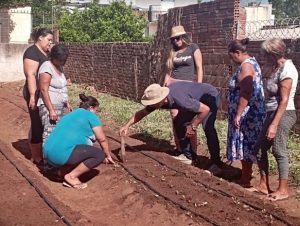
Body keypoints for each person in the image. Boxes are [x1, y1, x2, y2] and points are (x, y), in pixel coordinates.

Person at [120, 82, 222, 172]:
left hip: (209, 96)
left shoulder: (179, 99)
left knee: (208, 127)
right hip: (193, 99)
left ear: (162, 100)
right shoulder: (160, 101)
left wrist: (193, 125)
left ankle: (216, 163)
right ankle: (189, 156)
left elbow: (205, 110)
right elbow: (142, 113)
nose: (151, 106)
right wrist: (126, 126)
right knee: (179, 121)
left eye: (153, 103)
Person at [253, 38, 298, 200]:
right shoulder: (277, 68)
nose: (264, 57)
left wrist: (274, 125)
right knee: (259, 149)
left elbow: (284, 101)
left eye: (266, 54)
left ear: (273, 54)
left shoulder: (288, 69)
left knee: (278, 149)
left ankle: (283, 189)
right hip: (272, 113)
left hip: (284, 114)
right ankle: (263, 186)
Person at [43, 94, 115, 189]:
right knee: (98, 155)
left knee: (79, 148)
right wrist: (107, 155)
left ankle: (61, 172)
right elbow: (102, 139)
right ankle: (71, 177)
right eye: (96, 110)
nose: (96, 113)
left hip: (47, 153)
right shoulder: (90, 115)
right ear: (91, 108)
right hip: (60, 156)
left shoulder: (71, 114)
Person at [226, 38, 265, 188]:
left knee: (245, 144)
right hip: (250, 112)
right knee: (247, 143)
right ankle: (245, 174)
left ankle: (246, 178)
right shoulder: (250, 63)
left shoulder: (246, 67)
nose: (232, 60)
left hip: (248, 114)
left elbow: (246, 91)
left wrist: (238, 114)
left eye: (232, 56)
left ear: (238, 53)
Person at [163, 25, 203, 155]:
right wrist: (164, 88)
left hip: (188, 88)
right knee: (175, 117)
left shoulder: (193, 48)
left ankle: (193, 151)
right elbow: (169, 71)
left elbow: (199, 68)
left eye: (178, 38)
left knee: (189, 119)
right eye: (173, 39)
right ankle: (179, 148)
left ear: (183, 37)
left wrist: (199, 87)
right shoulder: (172, 52)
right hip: (173, 88)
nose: (176, 41)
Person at [23, 28, 53, 165]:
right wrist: (33, 96)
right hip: (34, 92)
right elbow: (30, 75)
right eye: (49, 40)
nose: (50, 43)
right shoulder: (31, 52)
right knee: (37, 123)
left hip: (44, 92)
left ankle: (45, 151)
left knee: (44, 121)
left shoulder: (46, 52)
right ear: (40, 38)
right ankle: (36, 156)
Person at [37, 43, 72, 143]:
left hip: (61, 105)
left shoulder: (60, 67)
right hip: (50, 106)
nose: (63, 62)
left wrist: (67, 102)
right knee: (50, 133)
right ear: (53, 57)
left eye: (65, 60)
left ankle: (58, 156)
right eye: (61, 60)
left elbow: (62, 87)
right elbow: (44, 90)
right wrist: (51, 110)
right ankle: (47, 157)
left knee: (62, 131)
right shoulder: (46, 67)